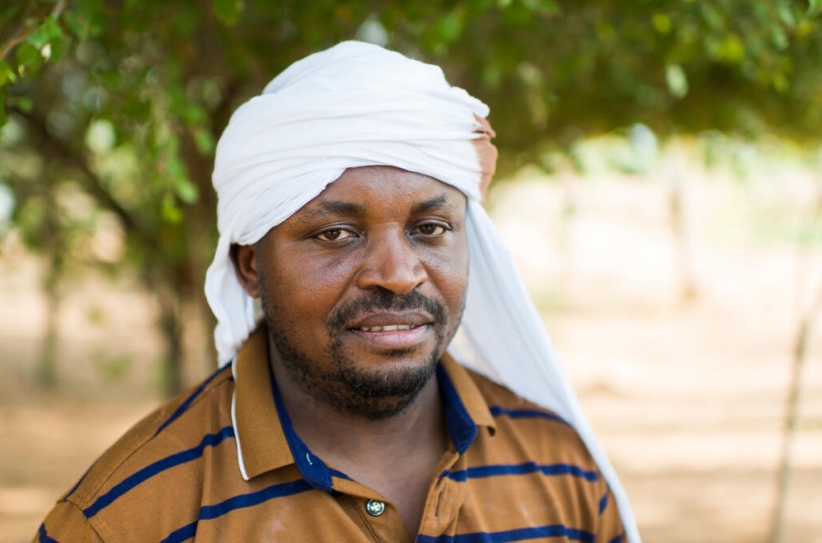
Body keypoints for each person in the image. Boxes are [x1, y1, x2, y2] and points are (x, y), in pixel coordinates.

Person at [34, 41, 640, 543]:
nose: (398, 274)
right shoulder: (126, 521)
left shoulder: (562, 474)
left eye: (430, 229)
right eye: (336, 234)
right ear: (250, 266)